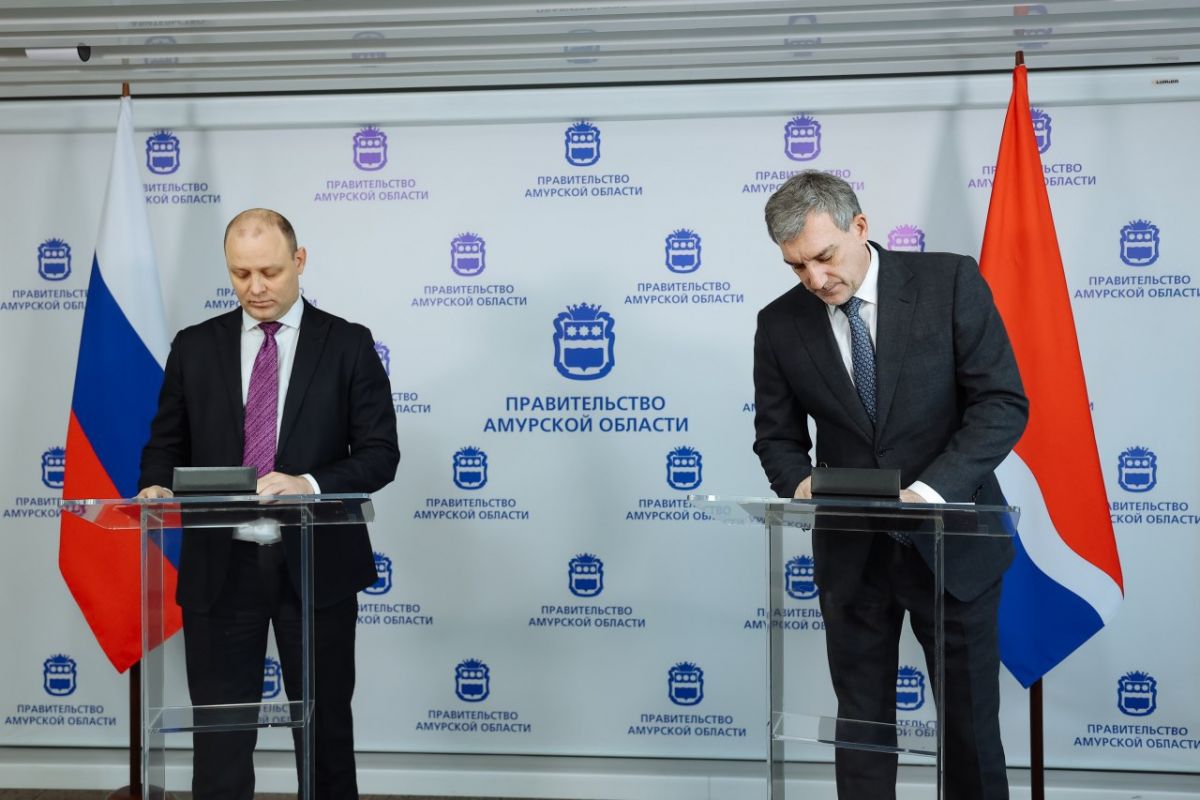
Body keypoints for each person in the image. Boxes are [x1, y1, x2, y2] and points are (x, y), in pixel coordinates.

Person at [753, 171, 1028, 799]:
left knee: (969, 730)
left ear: (860, 227)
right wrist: (800, 485)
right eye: (797, 266)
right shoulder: (779, 324)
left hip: (954, 546)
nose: (815, 279)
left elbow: (1001, 404)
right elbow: (777, 439)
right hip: (852, 554)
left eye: (824, 256)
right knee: (862, 729)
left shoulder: (949, 282)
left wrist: (927, 493)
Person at [138, 208, 400, 799]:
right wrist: (155, 485)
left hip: (317, 569)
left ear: (299, 261)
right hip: (219, 570)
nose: (255, 287)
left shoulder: (348, 344)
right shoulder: (194, 346)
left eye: (270, 272)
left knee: (325, 732)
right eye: (240, 273)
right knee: (221, 739)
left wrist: (307, 483)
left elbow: (380, 454)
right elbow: (165, 444)